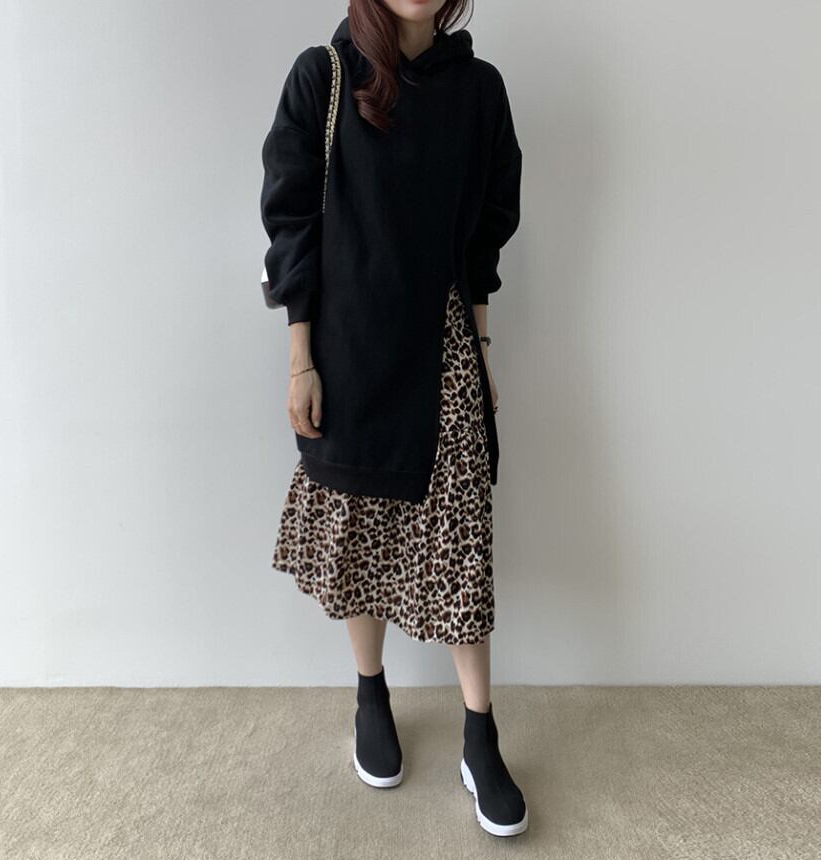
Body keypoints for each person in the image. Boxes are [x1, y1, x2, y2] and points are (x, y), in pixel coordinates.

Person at [259, 0, 525, 837]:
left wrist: (482, 351)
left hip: (442, 348)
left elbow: (482, 237)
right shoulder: (325, 75)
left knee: (462, 540)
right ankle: (370, 695)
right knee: (361, 533)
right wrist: (301, 360)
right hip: (347, 352)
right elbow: (291, 222)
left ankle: (479, 733)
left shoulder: (478, 90)